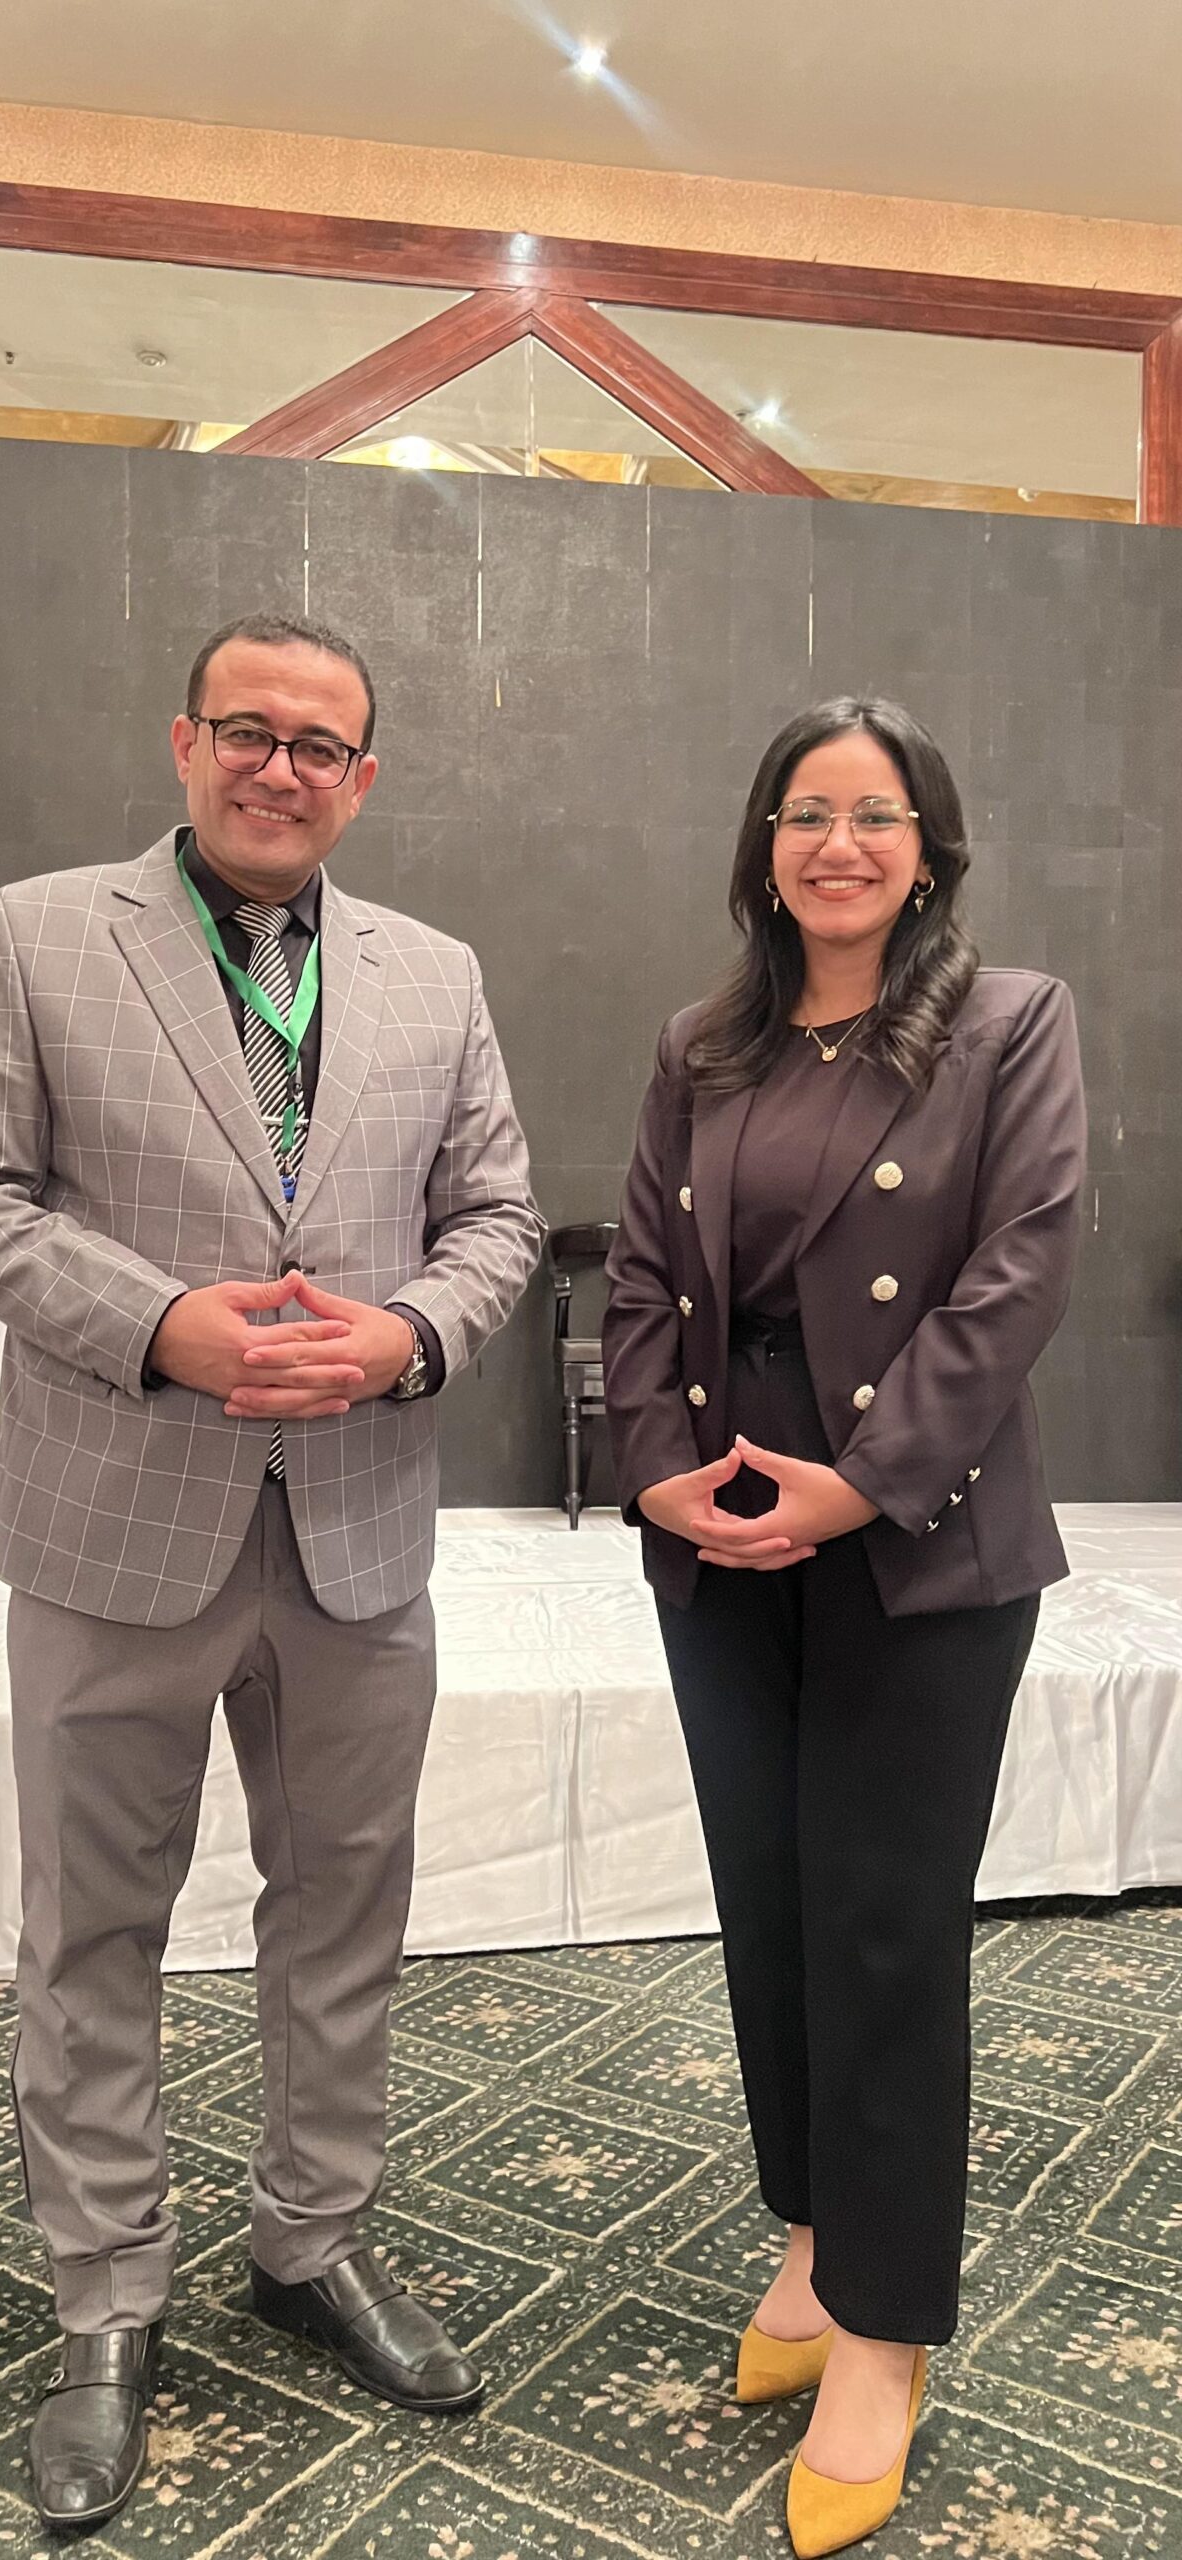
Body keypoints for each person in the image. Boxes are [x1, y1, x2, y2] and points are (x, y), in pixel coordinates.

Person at [0, 611, 544, 2530]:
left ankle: (312, 2235)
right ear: (183, 742)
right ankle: (107, 2292)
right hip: (117, 1522)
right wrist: (157, 1321)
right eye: (246, 730)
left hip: (358, 1536)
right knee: (94, 1927)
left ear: (365, 777)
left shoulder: (436, 972)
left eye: (319, 744)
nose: (281, 766)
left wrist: (409, 1337)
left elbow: (499, 1215)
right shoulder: (40, 933)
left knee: (344, 1909)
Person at [602, 698, 1084, 2559]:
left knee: (882, 1930)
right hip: (729, 1525)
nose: (840, 845)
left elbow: (1019, 1273)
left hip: (912, 1533)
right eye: (807, 814)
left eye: (877, 816)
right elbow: (645, 1268)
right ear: (765, 845)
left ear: (929, 849)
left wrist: (860, 1485)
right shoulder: (701, 1042)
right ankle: (811, 2240)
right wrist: (658, 1472)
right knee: (773, 1905)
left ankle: (884, 2329)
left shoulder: (1008, 1023)